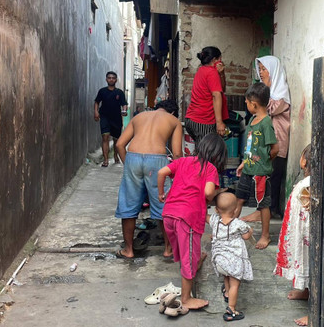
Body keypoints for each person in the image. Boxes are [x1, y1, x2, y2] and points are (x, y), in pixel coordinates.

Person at [158, 133, 228, 310]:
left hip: (168, 214)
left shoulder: (183, 161)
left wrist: (160, 193)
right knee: (188, 255)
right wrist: (217, 194)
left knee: (185, 250)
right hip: (187, 217)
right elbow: (208, 193)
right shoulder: (210, 168)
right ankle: (186, 298)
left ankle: (196, 262)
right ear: (218, 156)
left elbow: (162, 172)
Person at [114, 100, 183, 259]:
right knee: (163, 206)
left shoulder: (139, 117)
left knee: (129, 206)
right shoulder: (174, 121)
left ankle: (128, 250)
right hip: (157, 160)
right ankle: (168, 249)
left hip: (133, 157)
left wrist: (129, 166)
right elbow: (178, 154)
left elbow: (119, 145)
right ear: (172, 113)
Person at [243, 56, 291, 221]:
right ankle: (265, 209)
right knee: (264, 178)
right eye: (260, 69)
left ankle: (268, 210)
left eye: (264, 69)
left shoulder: (281, 96)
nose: (261, 73)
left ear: (274, 71)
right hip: (264, 144)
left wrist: (265, 90)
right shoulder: (270, 93)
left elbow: (265, 109)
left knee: (272, 177)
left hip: (276, 142)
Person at [234, 82, 278, 250]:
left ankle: (265, 235)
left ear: (254, 104)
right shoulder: (252, 120)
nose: (246, 105)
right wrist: (245, 162)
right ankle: (231, 230)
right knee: (239, 199)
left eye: (246, 102)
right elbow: (252, 146)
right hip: (248, 169)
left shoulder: (266, 123)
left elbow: (275, 148)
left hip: (260, 173)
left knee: (263, 204)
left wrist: (265, 161)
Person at [274, 144, 312, 326]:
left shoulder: (312, 184)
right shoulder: (307, 183)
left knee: (311, 265)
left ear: (303, 161)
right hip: (301, 235)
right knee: (305, 262)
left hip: (308, 237)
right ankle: (306, 290)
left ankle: (315, 312)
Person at [207, 192, 253, 322]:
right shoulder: (238, 224)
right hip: (233, 261)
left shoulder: (215, 220)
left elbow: (205, 217)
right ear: (235, 209)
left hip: (219, 260)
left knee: (226, 276)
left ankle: (227, 294)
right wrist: (250, 231)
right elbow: (246, 236)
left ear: (216, 209)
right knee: (235, 285)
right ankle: (231, 309)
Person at [185, 46, 229, 145]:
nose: (221, 62)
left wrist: (222, 74)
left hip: (192, 119)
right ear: (214, 60)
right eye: (220, 59)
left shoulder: (201, 70)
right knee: (207, 155)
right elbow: (217, 95)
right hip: (203, 121)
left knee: (201, 152)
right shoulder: (211, 73)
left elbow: (222, 89)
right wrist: (219, 122)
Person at [94, 71, 128, 167]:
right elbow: (97, 102)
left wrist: (124, 111)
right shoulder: (102, 91)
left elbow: (124, 104)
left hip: (116, 118)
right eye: (109, 78)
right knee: (105, 137)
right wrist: (96, 111)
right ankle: (105, 160)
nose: (111, 79)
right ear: (106, 79)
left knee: (116, 140)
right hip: (104, 117)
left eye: (113, 78)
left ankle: (115, 155)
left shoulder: (119, 92)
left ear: (116, 80)